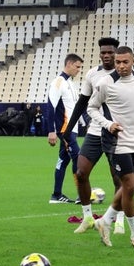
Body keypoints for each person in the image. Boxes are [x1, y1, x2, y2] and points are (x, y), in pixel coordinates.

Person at [88, 46, 134, 249]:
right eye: (118, 62)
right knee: (128, 187)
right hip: (117, 143)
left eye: (125, 62)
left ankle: (104, 220)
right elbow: (91, 108)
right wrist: (108, 124)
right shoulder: (105, 83)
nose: (121, 66)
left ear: (133, 60)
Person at [46, 53, 83, 203]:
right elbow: (50, 106)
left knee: (63, 160)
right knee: (78, 159)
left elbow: (73, 108)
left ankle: (56, 195)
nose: (79, 70)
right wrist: (51, 130)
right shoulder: (58, 82)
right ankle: (82, 194)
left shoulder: (71, 84)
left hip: (71, 129)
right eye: (77, 66)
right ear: (68, 64)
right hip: (65, 130)